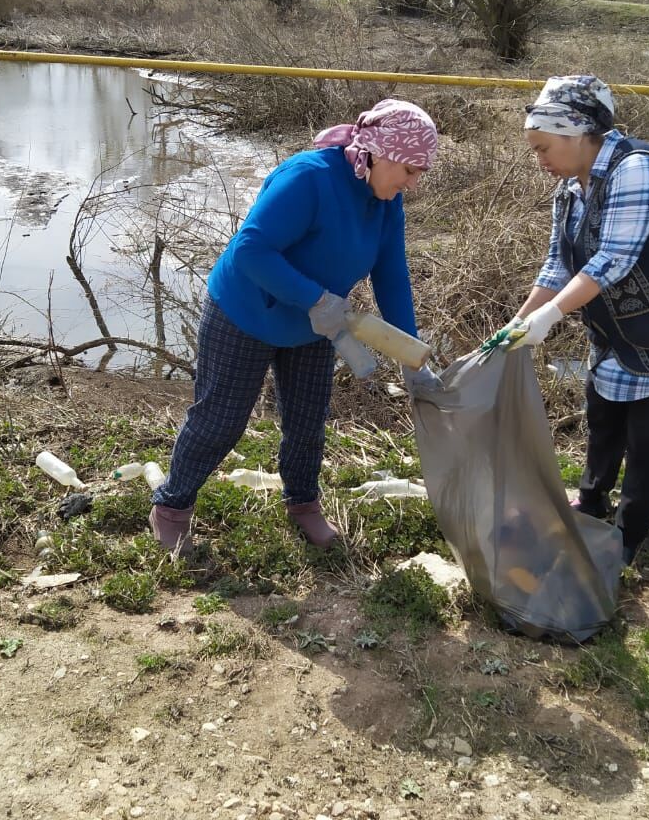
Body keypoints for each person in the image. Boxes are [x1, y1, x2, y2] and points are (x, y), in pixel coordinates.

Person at [149, 99, 442, 558]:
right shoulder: (310, 178)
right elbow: (251, 250)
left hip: (314, 327)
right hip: (248, 312)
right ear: (374, 152)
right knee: (221, 419)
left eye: (419, 172)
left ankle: (303, 503)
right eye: (408, 169)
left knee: (307, 422)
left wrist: (410, 354)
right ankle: (171, 507)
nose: (412, 182)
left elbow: (392, 275)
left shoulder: (387, 203)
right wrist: (316, 299)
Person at [490, 75, 649, 565]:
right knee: (602, 417)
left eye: (543, 148)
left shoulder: (639, 169)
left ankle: (625, 541)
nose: (538, 160)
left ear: (578, 133)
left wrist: (550, 315)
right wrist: (519, 322)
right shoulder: (571, 186)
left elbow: (613, 260)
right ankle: (590, 500)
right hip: (624, 332)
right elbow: (558, 263)